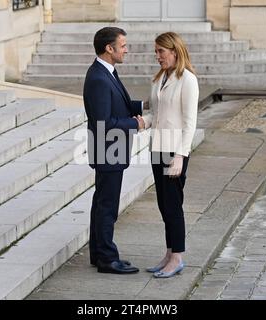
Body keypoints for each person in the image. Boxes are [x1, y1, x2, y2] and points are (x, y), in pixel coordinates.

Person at [83, 27, 145, 274]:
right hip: (108, 151)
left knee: (101, 203)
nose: (126, 49)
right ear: (109, 48)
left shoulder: (106, 72)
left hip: (110, 150)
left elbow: (117, 104)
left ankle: (99, 253)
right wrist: (137, 123)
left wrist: (143, 106)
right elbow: (103, 123)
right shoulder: (98, 77)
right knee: (107, 206)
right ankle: (107, 259)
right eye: (123, 45)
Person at [142, 32, 199, 278]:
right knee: (164, 205)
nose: (157, 57)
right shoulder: (159, 79)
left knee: (173, 206)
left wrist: (180, 156)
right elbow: (157, 114)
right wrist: (142, 121)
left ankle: (177, 258)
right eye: (156, 52)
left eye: (160, 52)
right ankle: (168, 253)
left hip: (175, 151)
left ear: (174, 51)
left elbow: (189, 123)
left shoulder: (188, 80)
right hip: (158, 148)